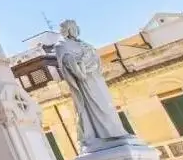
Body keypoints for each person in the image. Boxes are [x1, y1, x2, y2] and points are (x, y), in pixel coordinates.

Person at [54, 19, 131, 151]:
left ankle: (117, 131)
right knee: (98, 106)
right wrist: (80, 65)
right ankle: (108, 135)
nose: (76, 29)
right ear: (68, 30)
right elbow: (66, 62)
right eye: (73, 27)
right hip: (85, 81)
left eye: (77, 27)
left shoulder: (82, 43)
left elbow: (95, 57)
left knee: (107, 105)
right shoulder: (61, 45)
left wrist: (91, 61)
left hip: (96, 78)